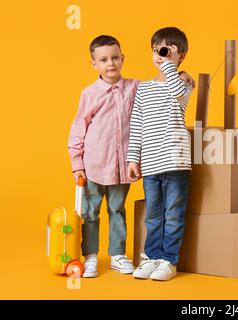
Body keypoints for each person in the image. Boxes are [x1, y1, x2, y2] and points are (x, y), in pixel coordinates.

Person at [68, 34, 194, 278]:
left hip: (121, 166)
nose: (111, 64)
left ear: (122, 59)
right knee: (90, 212)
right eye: (103, 60)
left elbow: (163, 86)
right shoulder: (89, 94)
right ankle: (91, 255)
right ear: (94, 64)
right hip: (94, 164)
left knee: (117, 209)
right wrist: (77, 164)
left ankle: (117, 254)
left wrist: (181, 72)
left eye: (115, 58)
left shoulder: (136, 87)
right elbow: (78, 129)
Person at [127, 27, 192, 281]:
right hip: (152, 164)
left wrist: (171, 66)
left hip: (175, 161)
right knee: (153, 215)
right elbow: (137, 125)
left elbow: (176, 93)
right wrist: (134, 158)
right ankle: (152, 256)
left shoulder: (183, 84)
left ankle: (169, 261)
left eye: (165, 51)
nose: (160, 56)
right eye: (156, 51)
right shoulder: (143, 89)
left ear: (181, 56)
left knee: (173, 214)